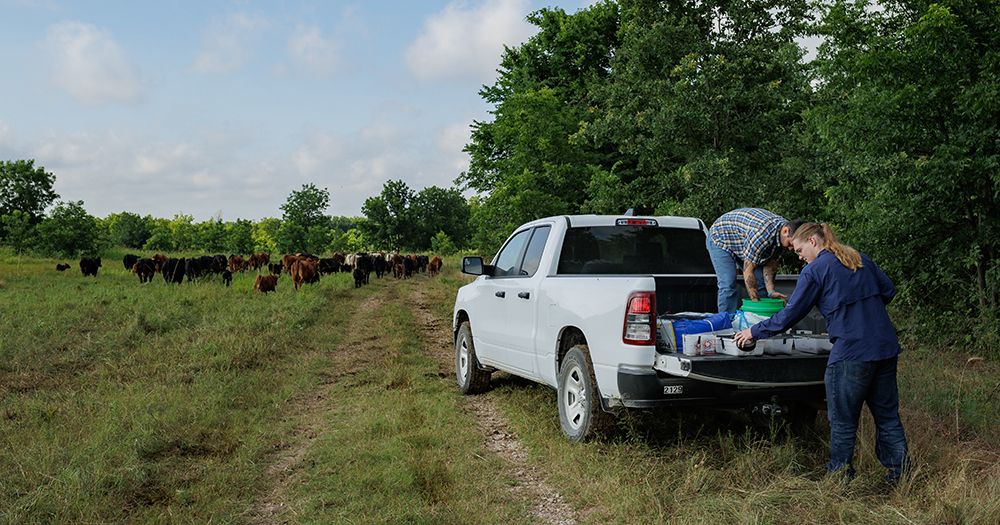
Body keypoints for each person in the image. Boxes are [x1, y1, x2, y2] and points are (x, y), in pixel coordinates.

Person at [734, 222, 909, 484]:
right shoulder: (858, 259)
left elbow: (791, 314)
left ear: (813, 242)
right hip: (884, 348)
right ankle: (902, 476)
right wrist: (861, 310)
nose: (800, 256)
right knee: (887, 417)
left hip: (852, 353)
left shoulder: (815, 270)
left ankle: (839, 478)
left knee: (842, 419)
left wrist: (754, 332)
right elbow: (889, 291)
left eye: (799, 249)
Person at [706, 208, 801, 314]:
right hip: (721, 237)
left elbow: (771, 265)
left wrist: (771, 291)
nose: (790, 249)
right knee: (728, 284)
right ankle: (726, 323)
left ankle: (762, 324)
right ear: (785, 231)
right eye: (790, 244)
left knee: (761, 284)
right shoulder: (762, 235)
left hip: (742, 241)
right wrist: (757, 306)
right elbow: (748, 272)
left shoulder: (784, 235)